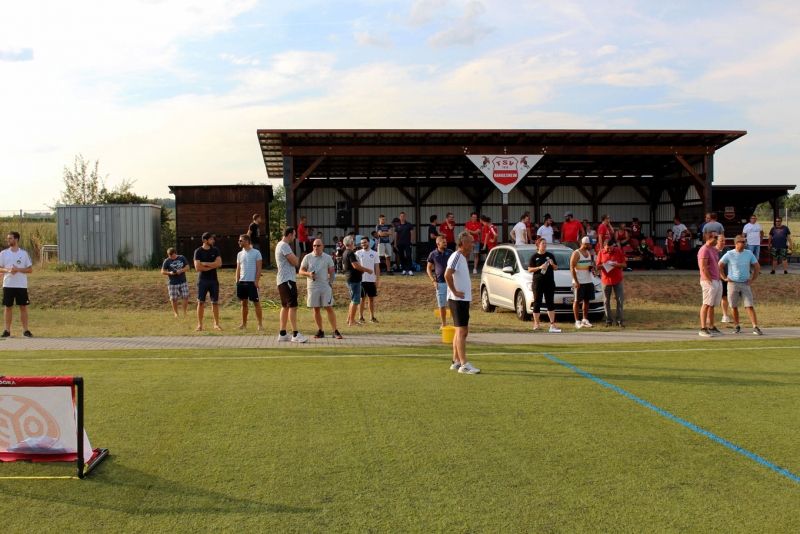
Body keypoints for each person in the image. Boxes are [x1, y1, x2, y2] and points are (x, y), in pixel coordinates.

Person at [444, 231, 480, 374]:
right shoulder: (457, 256)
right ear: (463, 243)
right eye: (470, 242)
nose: (473, 244)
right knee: (461, 331)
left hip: (462, 300)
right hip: (457, 300)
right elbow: (447, 274)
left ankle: (456, 361)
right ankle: (464, 364)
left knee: (461, 331)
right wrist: (455, 291)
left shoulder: (462, 258)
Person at [299, 238, 342, 339]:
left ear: (323, 246)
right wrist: (308, 273)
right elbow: (300, 271)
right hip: (312, 287)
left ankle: (335, 331)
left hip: (325, 286)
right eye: (314, 245)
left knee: (329, 308)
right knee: (316, 309)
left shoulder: (327, 257)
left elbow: (332, 271)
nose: (316, 247)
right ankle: (320, 330)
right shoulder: (307, 257)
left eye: (318, 245)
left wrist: (330, 283)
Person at [719, 235, 762, 335]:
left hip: (745, 283)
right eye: (741, 242)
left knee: (749, 305)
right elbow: (720, 265)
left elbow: (757, 266)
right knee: (733, 306)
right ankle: (736, 325)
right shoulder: (729, 254)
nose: (744, 244)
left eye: (744, 242)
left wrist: (752, 279)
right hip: (732, 283)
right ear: (736, 243)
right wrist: (724, 277)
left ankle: (755, 326)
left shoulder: (749, 253)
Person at [275, 227, 307, 343]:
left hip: (283, 280)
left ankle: (283, 333)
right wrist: (298, 258)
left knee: (285, 306)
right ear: (289, 234)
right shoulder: (284, 245)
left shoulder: (281, 245)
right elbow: (295, 261)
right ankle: (295, 334)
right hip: (287, 280)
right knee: (293, 306)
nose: (295, 237)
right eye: (294, 235)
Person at [1, 231, 33, 338]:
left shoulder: (23, 253)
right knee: (8, 307)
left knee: (23, 307)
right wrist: (8, 270)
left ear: (16, 240)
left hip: (21, 285)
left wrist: (18, 269)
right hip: (8, 284)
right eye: (8, 238)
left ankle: (25, 330)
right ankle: (7, 330)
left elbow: (30, 270)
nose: (8, 240)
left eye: (10, 238)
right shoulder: (3, 253)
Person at [528, 239, 561, 333]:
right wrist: (539, 267)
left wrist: (552, 264)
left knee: (550, 302)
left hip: (549, 282)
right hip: (538, 283)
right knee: (537, 302)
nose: (545, 245)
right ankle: (536, 324)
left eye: (545, 243)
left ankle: (552, 324)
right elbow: (529, 269)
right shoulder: (534, 256)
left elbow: (556, 268)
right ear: (538, 245)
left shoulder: (550, 255)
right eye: (543, 243)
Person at [342, 235, 373, 326]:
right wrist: (367, 270)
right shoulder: (350, 253)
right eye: (353, 241)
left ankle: (349, 319)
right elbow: (355, 265)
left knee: (353, 300)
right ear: (351, 243)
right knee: (355, 301)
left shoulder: (345, 252)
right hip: (354, 279)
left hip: (351, 279)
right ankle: (352, 321)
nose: (354, 243)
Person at [193, 232, 222, 331]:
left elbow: (219, 263)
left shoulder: (215, 250)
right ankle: (200, 325)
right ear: (205, 240)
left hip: (214, 280)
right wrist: (212, 265)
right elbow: (197, 267)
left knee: (215, 303)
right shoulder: (198, 251)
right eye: (211, 239)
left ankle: (216, 324)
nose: (213, 241)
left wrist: (205, 264)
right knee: (200, 303)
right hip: (202, 281)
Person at [234, 234, 263, 331]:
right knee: (243, 304)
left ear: (247, 241)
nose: (239, 242)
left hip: (252, 282)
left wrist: (256, 281)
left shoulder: (256, 253)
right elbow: (238, 269)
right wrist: (237, 281)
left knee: (256, 303)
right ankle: (244, 324)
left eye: (241, 240)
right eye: (239, 240)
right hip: (242, 282)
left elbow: (259, 268)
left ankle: (260, 324)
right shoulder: (239, 254)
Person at [697, 230, 723, 337]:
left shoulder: (713, 249)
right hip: (709, 281)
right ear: (709, 238)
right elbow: (703, 267)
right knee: (706, 304)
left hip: (716, 280)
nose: (717, 239)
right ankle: (703, 328)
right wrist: (709, 280)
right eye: (715, 237)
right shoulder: (704, 250)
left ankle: (711, 326)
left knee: (712, 305)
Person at [596, 239, 627, 327]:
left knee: (620, 300)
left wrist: (616, 265)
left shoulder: (618, 251)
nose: (609, 250)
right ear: (604, 246)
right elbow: (597, 266)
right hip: (606, 280)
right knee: (606, 301)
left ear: (613, 246)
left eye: (610, 248)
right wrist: (604, 265)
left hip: (617, 279)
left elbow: (624, 264)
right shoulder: (601, 252)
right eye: (607, 249)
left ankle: (619, 321)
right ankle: (608, 320)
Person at [427, 235, 452, 329]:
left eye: (446, 242)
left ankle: (456, 323)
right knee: (442, 305)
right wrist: (433, 281)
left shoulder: (450, 252)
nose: (445, 244)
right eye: (443, 242)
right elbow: (428, 268)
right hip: (440, 283)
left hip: (451, 282)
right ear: (438, 243)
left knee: (453, 304)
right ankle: (444, 324)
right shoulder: (433, 254)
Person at [570, 236, 595, 329]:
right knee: (577, 301)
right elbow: (572, 267)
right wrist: (576, 281)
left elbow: (588, 265)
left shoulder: (588, 253)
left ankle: (585, 319)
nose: (590, 245)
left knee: (587, 300)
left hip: (588, 280)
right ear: (583, 244)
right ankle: (577, 321)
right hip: (579, 281)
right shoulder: (576, 253)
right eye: (588, 244)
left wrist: (591, 268)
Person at [356, 236, 381, 323]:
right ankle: (360, 317)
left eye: (365, 242)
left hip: (371, 280)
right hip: (361, 280)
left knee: (371, 299)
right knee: (362, 299)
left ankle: (372, 317)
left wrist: (377, 279)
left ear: (368, 242)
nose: (363, 244)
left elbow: (377, 268)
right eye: (362, 243)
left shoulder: (374, 253)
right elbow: (356, 266)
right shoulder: (358, 253)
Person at [160, 247, 190, 318]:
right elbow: (162, 271)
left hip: (183, 281)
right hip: (172, 283)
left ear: (175, 253)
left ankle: (185, 312)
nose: (171, 257)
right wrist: (169, 273)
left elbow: (188, 267)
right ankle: (176, 313)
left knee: (185, 297)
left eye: (172, 256)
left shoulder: (182, 257)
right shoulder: (167, 261)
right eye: (169, 256)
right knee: (173, 299)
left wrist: (181, 270)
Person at [716, 235, 732, 324]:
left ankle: (725, 316)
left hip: (725, 278)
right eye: (721, 240)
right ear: (717, 241)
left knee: (725, 297)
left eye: (724, 240)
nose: (723, 242)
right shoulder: (713, 250)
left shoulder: (728, 250)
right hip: (715, 278)